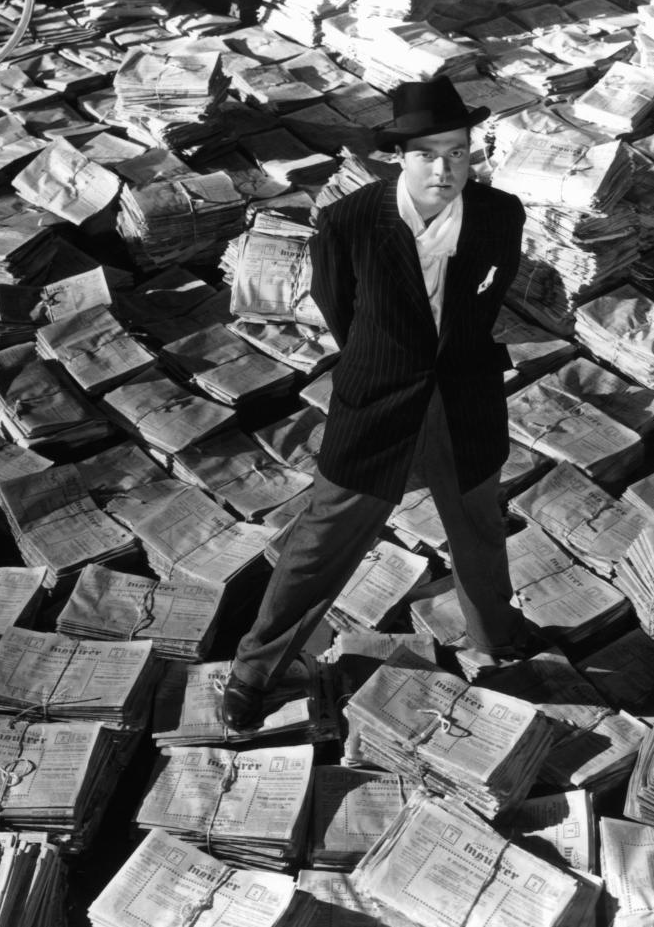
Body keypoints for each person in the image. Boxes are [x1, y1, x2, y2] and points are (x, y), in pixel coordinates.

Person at [223, 76, 539, 728]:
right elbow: (340, 309)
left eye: (457, 151)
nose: (444, 167)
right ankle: (253, 671)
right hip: (375, 403)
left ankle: (498, 643)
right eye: (427, 153)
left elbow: (486, 302)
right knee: (322, 540)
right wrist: (385, 363)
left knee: (478, 529)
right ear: (399, 154)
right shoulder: (349, 221)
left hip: (464, 400)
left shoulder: (500, 215)